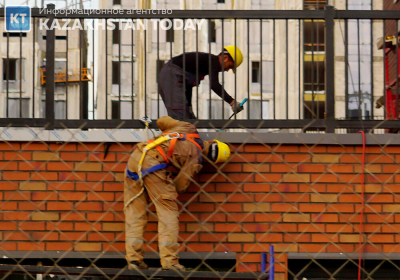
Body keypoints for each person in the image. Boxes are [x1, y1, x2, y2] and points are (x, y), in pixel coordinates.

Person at [124, 116, 231, 271]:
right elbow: (181, 185)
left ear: (214, 142)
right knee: (168, 212)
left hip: (136, 158)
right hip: (154, 166)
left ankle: (134, 260)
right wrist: (167, 186)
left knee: (135, 213)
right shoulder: (196, 158)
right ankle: (170, 262)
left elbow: (162, 121)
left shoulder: (188, 127)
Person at [158, 46, 244, 120]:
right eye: (229, 66)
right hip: (172, 75)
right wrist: (232, 102)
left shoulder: (205, 63)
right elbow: (214, 85)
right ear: (225, 58)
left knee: (184, 116)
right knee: (180, 117)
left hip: (169, 74)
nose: (227, 70)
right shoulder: (213, 61)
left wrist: (189, 108)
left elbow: (187, 86)